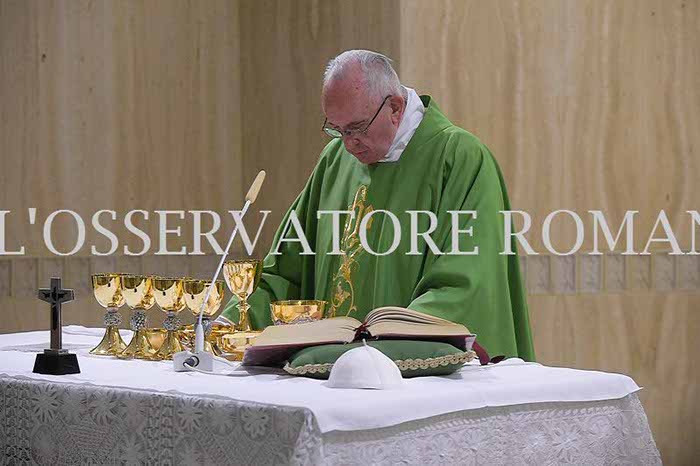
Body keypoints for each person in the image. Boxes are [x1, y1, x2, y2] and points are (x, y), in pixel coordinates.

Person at [220, 49, 535, 360]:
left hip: (413, 371)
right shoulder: (334, 160)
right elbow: (287, 270)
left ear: (395, 107)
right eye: (337, 130)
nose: (348, 143)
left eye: (357, 128)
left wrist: (386, 343)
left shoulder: (459, 158)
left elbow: (466, 281)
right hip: (336, 369)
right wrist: (227, 323)